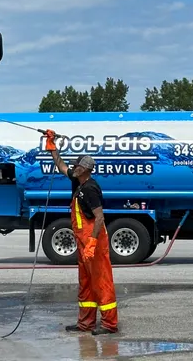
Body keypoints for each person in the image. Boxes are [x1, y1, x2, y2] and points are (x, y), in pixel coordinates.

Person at [45, 129, 118, 335]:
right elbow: (61, 167)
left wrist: (93, 243)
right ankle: (85, 323)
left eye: (77, 166)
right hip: (82, 241)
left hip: (94, 241)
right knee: (85, 283)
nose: (74, 168)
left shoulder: (91, 189)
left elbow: (100, 217)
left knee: (101, 281)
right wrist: (52, 147)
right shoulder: (77, 182)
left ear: (85, 169)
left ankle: (109, 324)